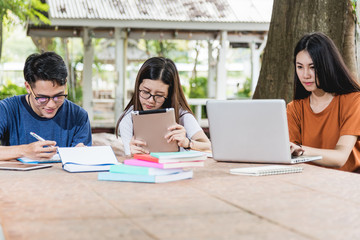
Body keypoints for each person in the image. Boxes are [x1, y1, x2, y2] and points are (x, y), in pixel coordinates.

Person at [287, 32, 360, 172]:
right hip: (309, 181)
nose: (305, 75)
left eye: (313, 67)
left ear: (327, 65)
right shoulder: (294, 108)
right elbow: (290, 155)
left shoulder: (354, 101)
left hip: (348, 184)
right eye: (300, 67)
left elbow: (340, 157)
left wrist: (301, 150)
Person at [0, 52, 92, 161]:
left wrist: (84, 154)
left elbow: (83, 164)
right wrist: (24, 151)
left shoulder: (78, 116)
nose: (51, 104)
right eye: (42, 98)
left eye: (58, 96)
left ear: (65, 84)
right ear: (28, 87)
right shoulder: (6, 110)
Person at [115, 57, 211, 156]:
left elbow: (209, 147)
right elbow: (129, 160)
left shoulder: (182, 116)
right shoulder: (128, 119)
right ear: (137, 87)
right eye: (146, 92)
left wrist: (187, 143)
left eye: (159, 95)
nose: (150, 100)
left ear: (169, 95)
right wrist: (131, 154)